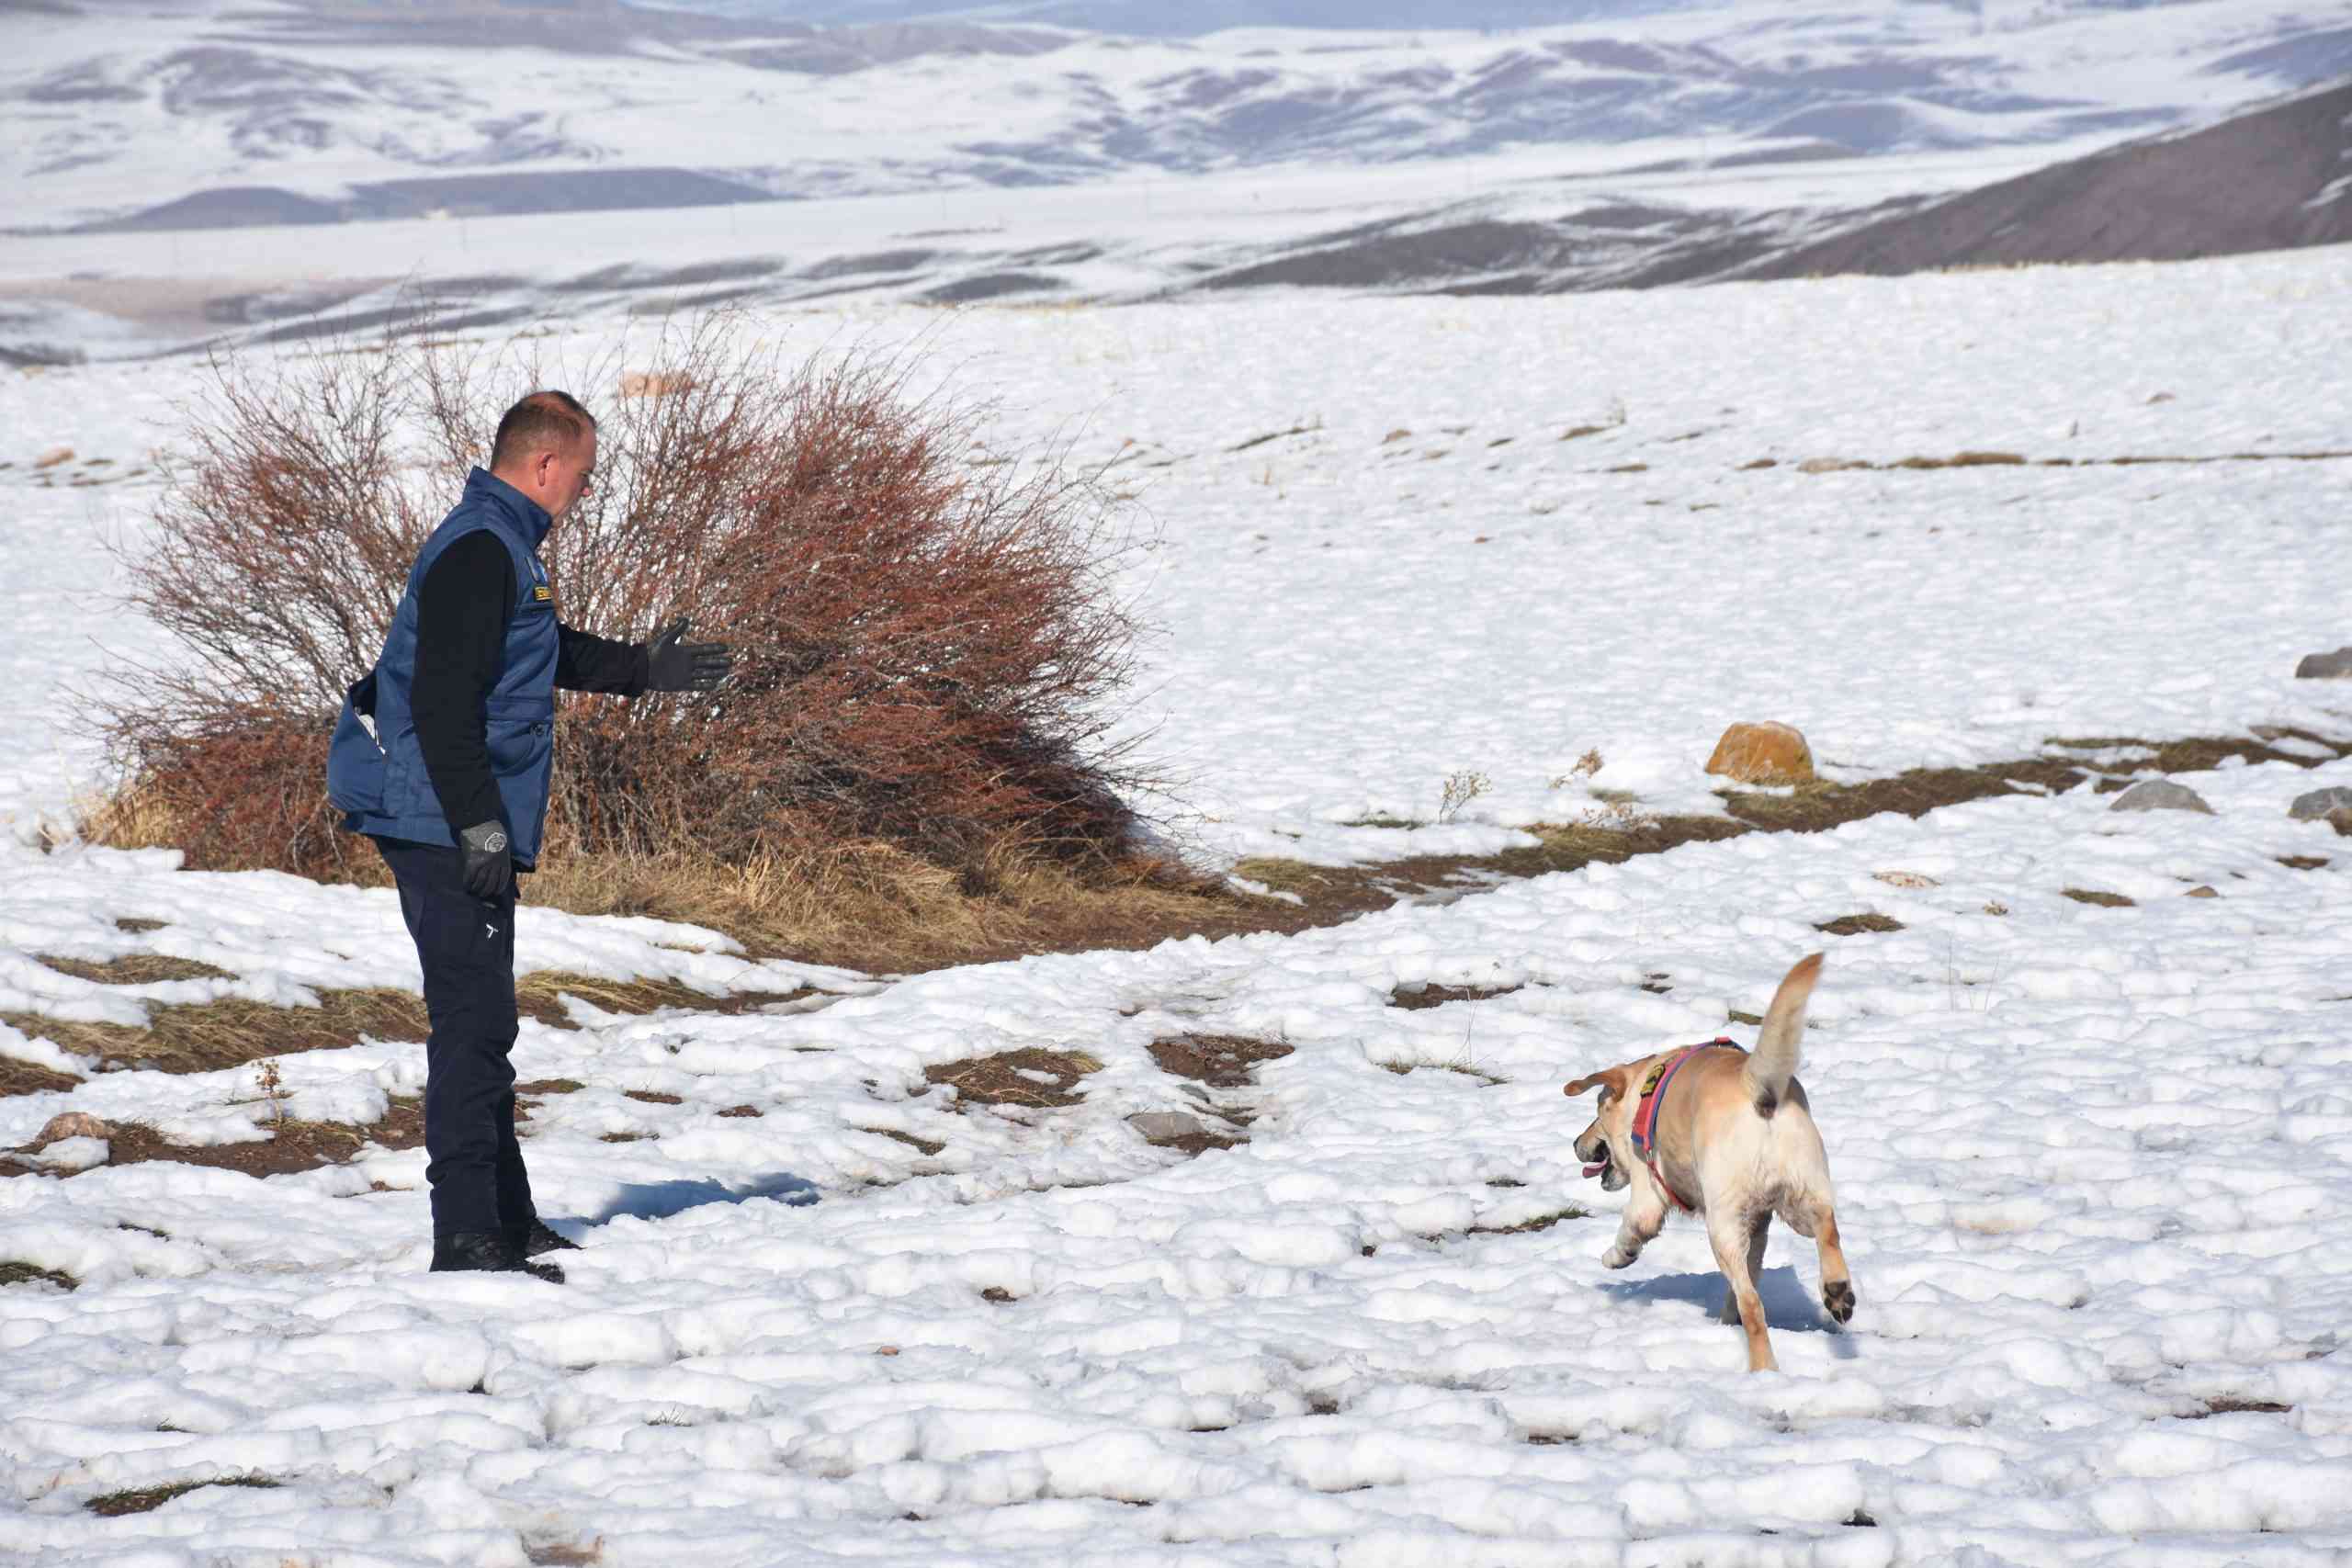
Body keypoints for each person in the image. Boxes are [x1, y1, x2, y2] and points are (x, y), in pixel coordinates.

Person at [326, 390, 731, 1281]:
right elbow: (441, 703)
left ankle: (505, 1220)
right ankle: (467, 1240)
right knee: (471, 1027)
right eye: (582, 475)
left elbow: (530, 650)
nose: (584, 491)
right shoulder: (480, 548)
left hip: (455, 817)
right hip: (442, 820)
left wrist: (642, 670)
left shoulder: (498, 544)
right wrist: (476, 824)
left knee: (486, 1024)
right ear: (545, 466)